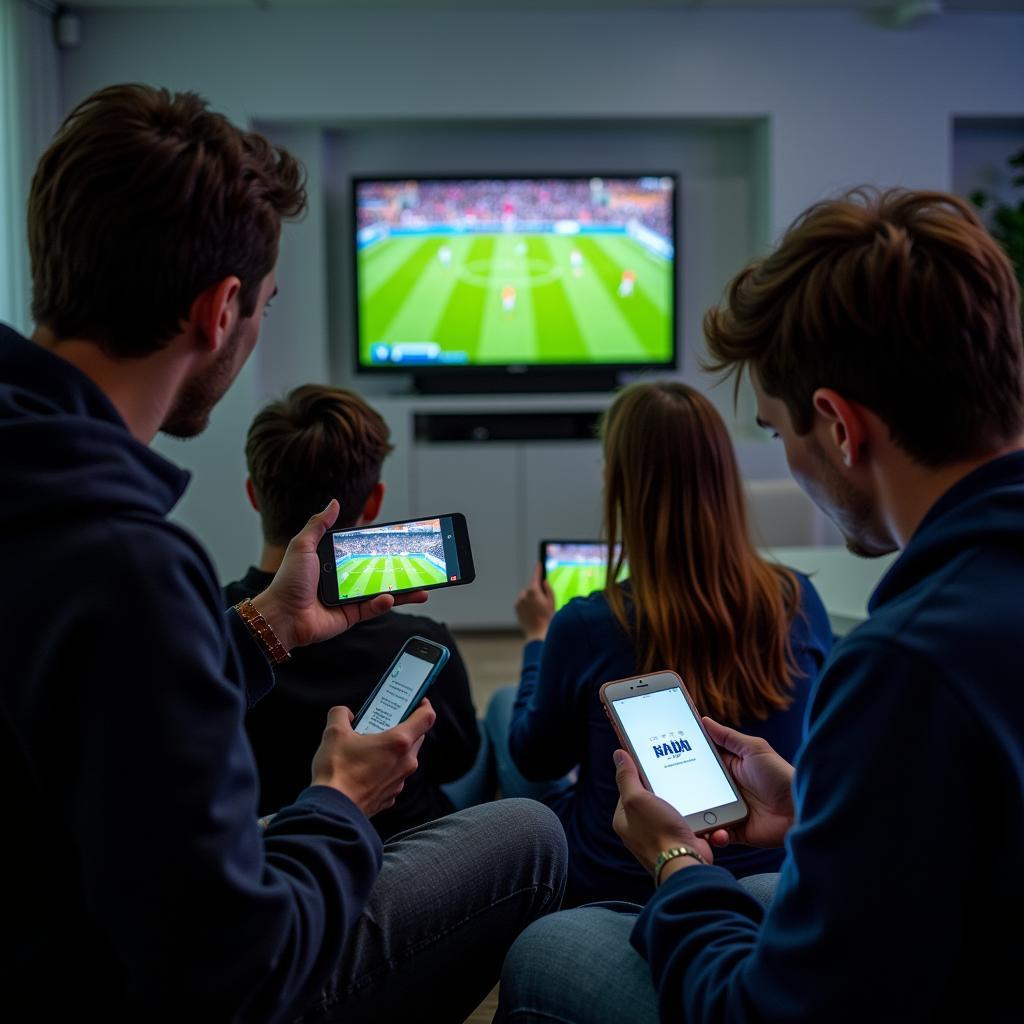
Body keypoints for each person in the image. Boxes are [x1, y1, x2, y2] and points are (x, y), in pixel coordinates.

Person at [0, 83, 565, 1022]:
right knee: (532, 835)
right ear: (221, 311)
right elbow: (235, 973)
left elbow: (81, 695)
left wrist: (263, 629)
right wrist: (339, 803)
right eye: (263, 303)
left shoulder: (46, 504)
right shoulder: (127, 563)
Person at [497, 187, 1024, 1023]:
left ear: (839, 427)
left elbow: (761, 1012)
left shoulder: (906, 663)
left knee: (542, 950)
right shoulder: (875, 623)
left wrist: (675, 862)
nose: (785, 454)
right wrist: (816, 800)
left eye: (777, 432)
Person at [501, 381, 833, 906]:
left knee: (506, 711)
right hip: (776, 873)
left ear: (619, 484)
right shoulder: (800, 598)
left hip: (621, 880)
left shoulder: (585, 623)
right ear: (724, 476)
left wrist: (537, 642)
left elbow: (534, 761)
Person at [224, 384, 485, 837]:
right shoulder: (423, 639)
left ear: (252, 494)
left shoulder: (199, 627)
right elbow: (458, 761)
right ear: (375, 500)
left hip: (251, 839)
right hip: (391, 848)